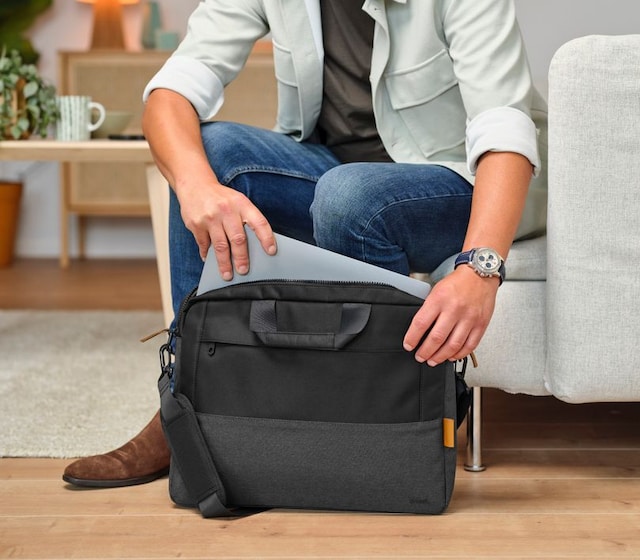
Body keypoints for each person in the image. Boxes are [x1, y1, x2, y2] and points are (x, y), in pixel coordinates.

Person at [62, 0, 547, 488]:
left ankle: (377, 424)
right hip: (337, 171)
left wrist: (480, 268)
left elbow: (504, 130)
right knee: (209, 153)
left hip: (464, 179)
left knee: (349, 196)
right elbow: (172, 92)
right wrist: (196, 187)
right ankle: (186, 403)